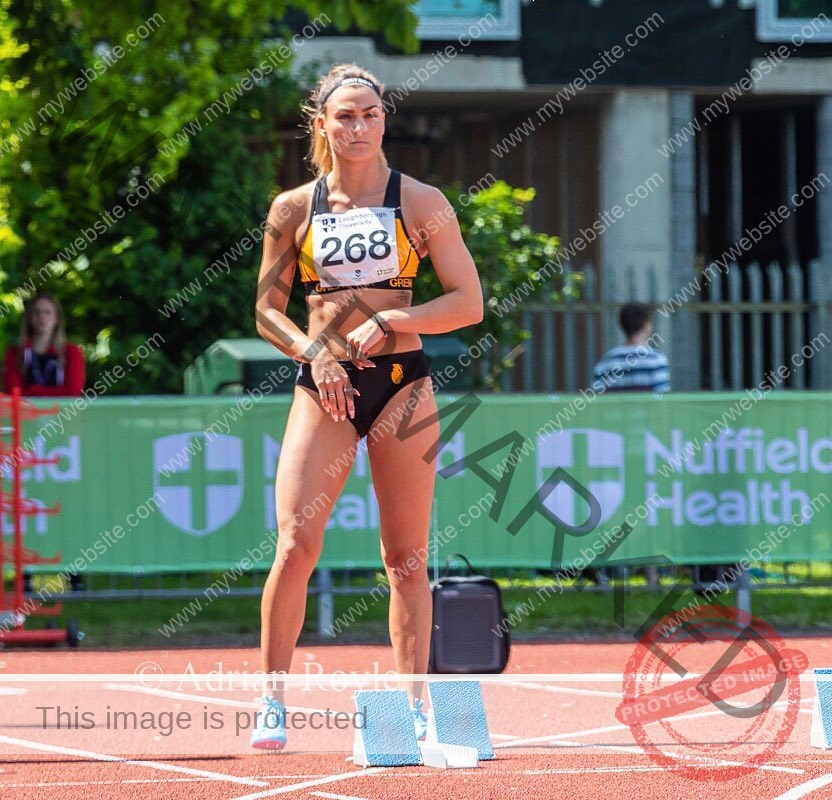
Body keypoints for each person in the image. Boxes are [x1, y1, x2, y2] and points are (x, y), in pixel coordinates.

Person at [252, 64, 483, 750]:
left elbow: (467, 303)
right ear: (320, 124)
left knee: (407, 557)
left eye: (371, 114)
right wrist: (312, 352)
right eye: (345, 116)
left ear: (386, 120)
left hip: (402, 384)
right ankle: (272, 703)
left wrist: (390, 324)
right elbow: (267, 309)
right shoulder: (293, 208)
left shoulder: (420, 200)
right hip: (325, 386)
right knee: (295, 545)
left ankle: (414, 710)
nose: (359, 126)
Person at [3, 292, 86, 591]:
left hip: (62, 442)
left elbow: (71, 391)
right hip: (28, 440)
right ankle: (26, 574)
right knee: (29, 502)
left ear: (56, 318)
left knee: (67, 503)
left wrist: (33, 394)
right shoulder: (17, 355)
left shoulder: (71, 353)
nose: (41, 318)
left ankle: (74, 572)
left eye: (47, 312)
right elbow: (13, 391)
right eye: (36, 312)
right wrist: (37, 398)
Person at [592, 302, 670, 394]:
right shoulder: (657, 361)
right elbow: (662, 401)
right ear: (645, 325)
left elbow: (598, 402)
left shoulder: (604, 363)